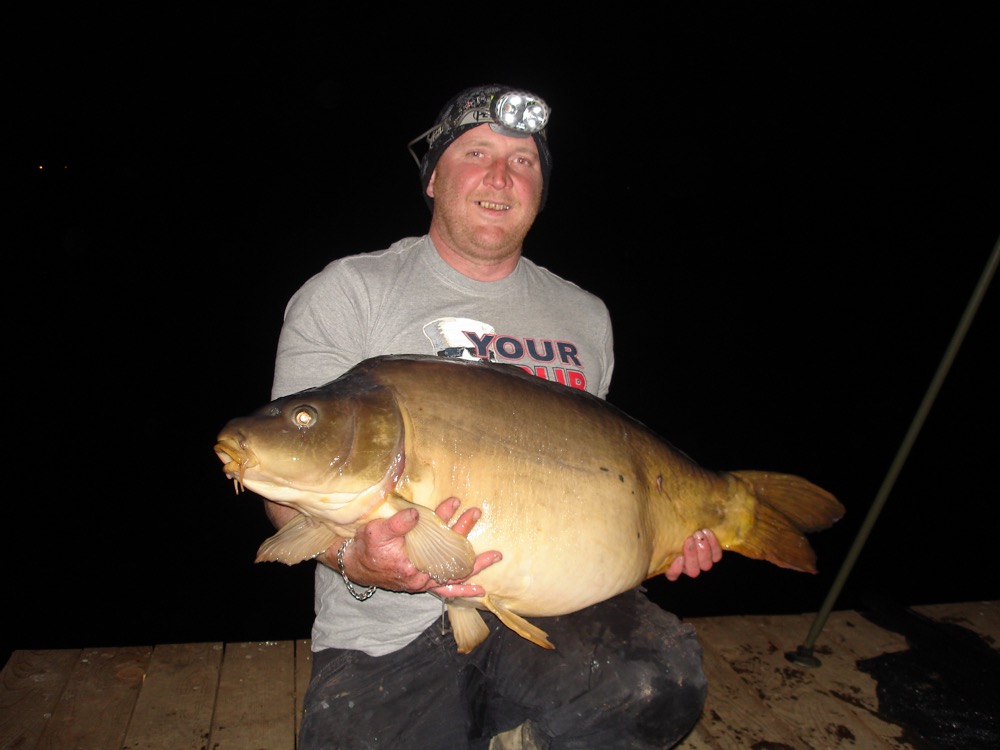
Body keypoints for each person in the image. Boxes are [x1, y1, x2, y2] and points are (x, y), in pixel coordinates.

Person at [265, 83, 724, 750]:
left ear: (540, 188)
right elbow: (291, 479)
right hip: (389, 623)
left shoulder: (584, 316)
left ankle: (516, 728)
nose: (500, 177)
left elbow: (597, 482)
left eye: (523, 162)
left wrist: (663, 533)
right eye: (477, 153)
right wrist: (354, 558)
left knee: (658, 687)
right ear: (433, 178)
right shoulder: (348, 293)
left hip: (544, 610)